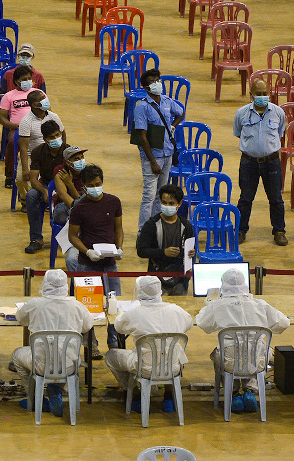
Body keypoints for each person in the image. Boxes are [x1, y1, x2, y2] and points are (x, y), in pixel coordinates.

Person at [196, 268, 290, 414]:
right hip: (257, 360)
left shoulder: (218, 306)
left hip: (229, 361)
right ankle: (250, 390)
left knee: (220, 354)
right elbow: (283, 323)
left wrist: (209, 305)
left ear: (223, 285)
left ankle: (234, 393)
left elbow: (203, 324)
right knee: (255, 351)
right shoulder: (260, 304)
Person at [11, 269, 94, 417]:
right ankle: (57, 387)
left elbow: (20, 318)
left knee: (17, 355)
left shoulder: (35, 304)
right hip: (69, 365)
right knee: (66, 358)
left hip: (41, 365)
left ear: (45, 283)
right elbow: (87, 326)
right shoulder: (77, 305)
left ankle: (36, 399)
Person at [105, 276, 193, 413]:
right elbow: (188, 324)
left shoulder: (134, 313)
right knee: (176, 350)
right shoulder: (175, 310)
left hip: (144, 367)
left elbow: (118, 327)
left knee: (111, 356)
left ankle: (135, 395)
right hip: (173, 367)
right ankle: (169, 397)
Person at [65, 164, 123, 352]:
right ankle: (91, 344)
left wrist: (119, 247)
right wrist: (87, 251)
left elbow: (118, 228)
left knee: (115, 305)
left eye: (98, 184)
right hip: (87, 265)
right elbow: (72, 236)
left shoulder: (114, 202)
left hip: (110, 263)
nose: (95, 188)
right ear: (83, 187)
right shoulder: (79, 207)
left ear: (103, 182)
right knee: (88, 308)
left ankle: (114, 341)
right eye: (91, 185)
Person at [233, 78, 288, 246]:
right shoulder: (241, 113)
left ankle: (279, 231)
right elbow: (238, 132)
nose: (262, 97)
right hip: (248, 162)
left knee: (276, 198)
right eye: (258, 94)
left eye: (265, 94)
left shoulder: (278, 112)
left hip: (271, 162)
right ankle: (241, 231)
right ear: (251, 95)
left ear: (269, 94)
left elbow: (280, 132)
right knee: (245, 198)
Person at [133, 68, 185, 228]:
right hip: (152, 157)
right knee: (148, 196)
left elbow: (181, 113)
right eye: (152, 82)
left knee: (161, 194)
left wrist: (173, 126)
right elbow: (142, 137)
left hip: (167, 154)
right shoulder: (142, 107)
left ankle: (156, 226)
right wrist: (153, 161)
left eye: (158, 80)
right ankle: (143, 230)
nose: (157, 84)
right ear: (146, 88)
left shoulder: (167, 101)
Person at [136, 184, 195, 296]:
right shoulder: (151, 225)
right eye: (164, 202)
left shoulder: (186, 226)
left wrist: (192, 252)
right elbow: (141, 251)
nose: (167, 206)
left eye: (171, 203)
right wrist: (163, 252)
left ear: (179, 204)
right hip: (156, 279)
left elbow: (190, 248)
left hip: (179, 280)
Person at [24, 121, 69, 254]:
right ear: (45, 139)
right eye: (51, 137)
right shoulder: (37, 152)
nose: (56, 139)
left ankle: (69, 238)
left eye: (57, 135)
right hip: (45, 185)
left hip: (65, 186)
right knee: (31, 195)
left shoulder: (68, 152)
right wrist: (45, 191)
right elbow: (33, 179)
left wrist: (62, 191)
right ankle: (36, 239)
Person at [0, 65, 37, 189]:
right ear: (17, 81)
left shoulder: (38, 94)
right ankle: (10, 175)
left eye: (29, 78)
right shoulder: (9, 96)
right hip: (18, 129)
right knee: (11, 144)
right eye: (24, 79)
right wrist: (14, 125)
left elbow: (49, 111)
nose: (28, 81)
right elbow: (2, 118)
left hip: (37, 128)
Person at [52, 146, 87, 225]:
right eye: (76, 159)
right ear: (68, 162)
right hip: (62, 206)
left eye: (82, 157)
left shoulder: (87, 172)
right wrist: (79, 210)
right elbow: (63, 195)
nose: (81, 161)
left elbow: (84, 201)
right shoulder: (60, 171)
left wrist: (70, 185)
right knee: (74, 215)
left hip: (81, 206)